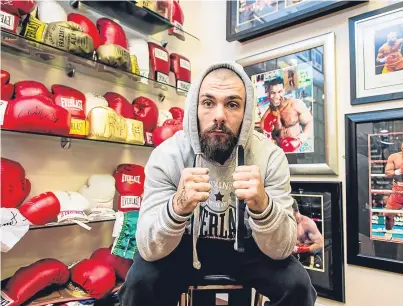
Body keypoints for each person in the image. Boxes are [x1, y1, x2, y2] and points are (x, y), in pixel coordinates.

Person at [118, 62, 317, 306]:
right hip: (181, 247)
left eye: (232, 104)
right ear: (194, 107)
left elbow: (284, 248)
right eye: (208, 103)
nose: (220, 115)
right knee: (139, 283)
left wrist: (263, 207)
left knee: (297, 285)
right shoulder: (167, 155)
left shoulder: (270, 157)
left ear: (246, 112)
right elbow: (148, 248)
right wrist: (177, 207)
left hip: (249, 248)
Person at [259, 77, 313, 152]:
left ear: (284, 91)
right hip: (279, 153)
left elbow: (310, 122)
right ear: (268, 93)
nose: (277, 96)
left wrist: (300, 139)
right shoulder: (266, 118)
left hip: (297, 150)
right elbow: (267, 139)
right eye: (273, 93)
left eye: (279, 92)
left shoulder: (295, 105)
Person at [291, 200, 324, 270]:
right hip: (293, 258)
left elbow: (320, 244)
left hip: (309, 258)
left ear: (293, 209)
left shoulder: (308, 223)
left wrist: (301, 249)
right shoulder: (287, 222)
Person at [383, 142, 403, 239]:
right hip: (397, 190)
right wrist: (399, 171)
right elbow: (387, 173)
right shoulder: (394, 157)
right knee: (388, 213)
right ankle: (388, 233)